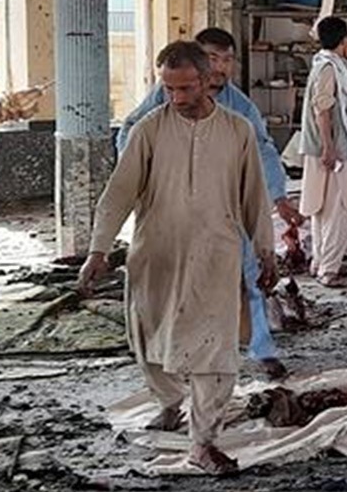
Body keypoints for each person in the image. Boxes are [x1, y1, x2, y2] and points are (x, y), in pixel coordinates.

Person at [78, 41, 276, 474]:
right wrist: (98, 250)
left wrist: (266, 251)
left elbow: (255, 198)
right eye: (169, 88)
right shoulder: (148, 129)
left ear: (207, 81)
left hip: (216, 256)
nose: (176, 97)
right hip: (156, 255)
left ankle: (203, 444)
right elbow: (118, 194)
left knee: (216, 351)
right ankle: (170, 403)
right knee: (150, 340)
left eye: (185, 88)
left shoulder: (238, 130)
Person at [116, 27, 300, 380]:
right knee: (173, 281)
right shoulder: (162, 102)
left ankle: (262, 348)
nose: (220, 67)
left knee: (250, 274)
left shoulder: (240, 108)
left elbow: (263, 150)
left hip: (225, 209)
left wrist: (279, 196)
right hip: (174, 210)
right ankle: (172, 350)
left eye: (227, 60)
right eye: (212, 58)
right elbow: (130, 137)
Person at [300, 17, 347, 287]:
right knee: (338, 210)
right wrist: (329, 147)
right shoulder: (328, 68)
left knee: (322, 208)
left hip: (324, 146)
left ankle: (319, 263)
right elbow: (323, 109)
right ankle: (328, 268)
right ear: (342, 39)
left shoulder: (324, 64)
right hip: (333, 148)